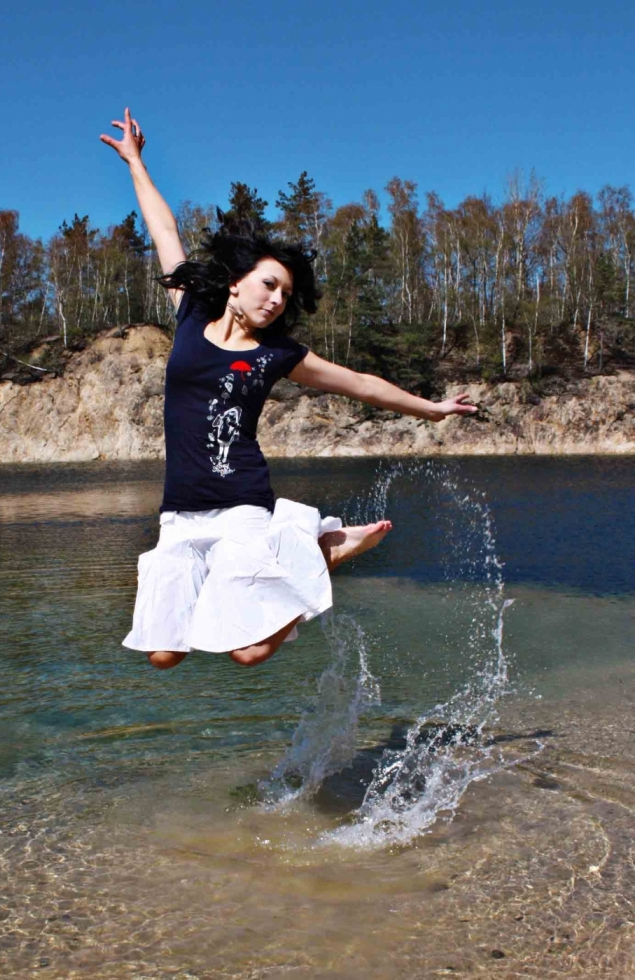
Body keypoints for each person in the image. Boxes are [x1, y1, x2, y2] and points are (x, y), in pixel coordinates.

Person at [101, 109, 477, 671]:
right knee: (163, 654)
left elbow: (361, 384)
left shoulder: (277, 353)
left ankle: (322, 552)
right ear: (235, 283)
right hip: (180, 511)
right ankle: (316, 553)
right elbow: (165, 232)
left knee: (249, 652)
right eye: (268, 284)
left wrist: (433, 409)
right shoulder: (191, 313)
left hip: (242, 505)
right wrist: (136, 162)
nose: (277, 299)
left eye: (285, 294)